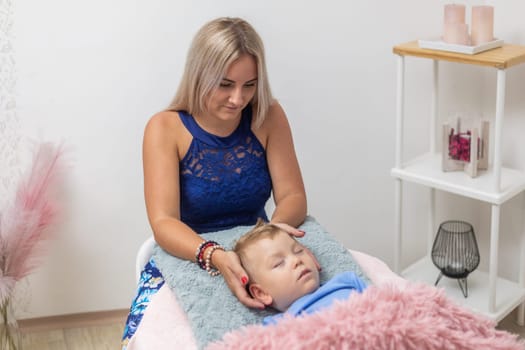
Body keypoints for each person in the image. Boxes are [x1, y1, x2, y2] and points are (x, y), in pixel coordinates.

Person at [123, 16, 308, 345]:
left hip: (258, 250)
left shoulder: (269, 115)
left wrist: (269, 241)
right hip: (190, 252)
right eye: (225, 84)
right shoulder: (164, 129)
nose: (238, 99)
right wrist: (218, 256)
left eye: (249, 85)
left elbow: (293, 195)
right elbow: (163, 222)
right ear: (199, 76)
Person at [233, 219, 368, 325]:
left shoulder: (345, 282)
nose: (296, 260)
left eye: (298, 251)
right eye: (279, 263)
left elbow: (382, 305)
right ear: (261, 293)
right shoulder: (277, 326)